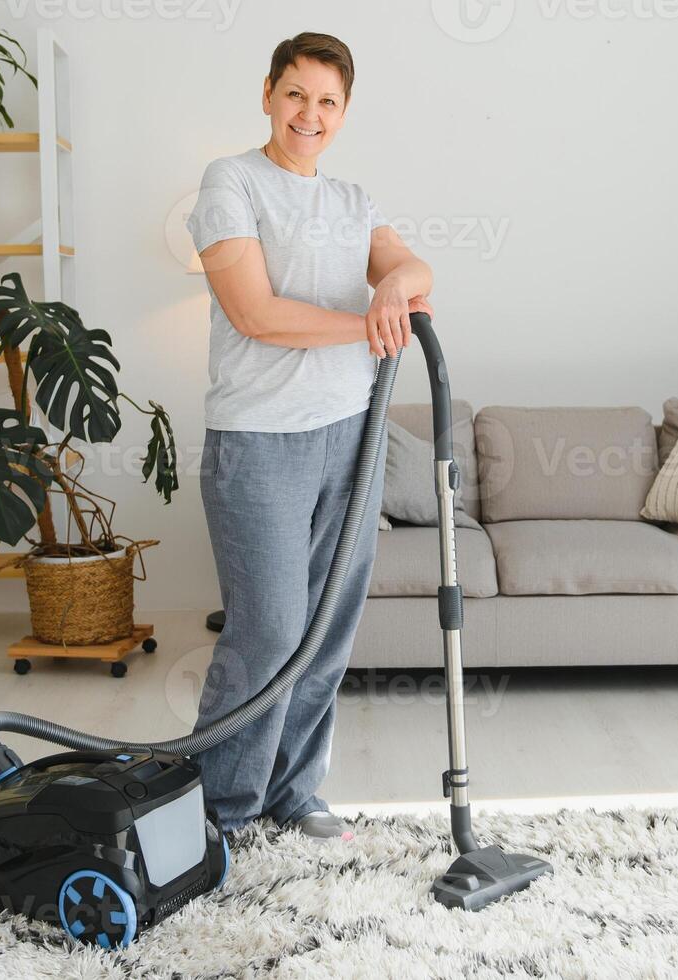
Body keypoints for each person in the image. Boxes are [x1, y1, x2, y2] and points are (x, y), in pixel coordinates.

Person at [185, 32, 434, 838]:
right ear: (267, 94)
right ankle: (221, 811)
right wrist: (371, 320)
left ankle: (293, 796)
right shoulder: (231, 181)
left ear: (343, 112)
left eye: (326, 101)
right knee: (267, 633)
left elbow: (412, 269)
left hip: (351, 435)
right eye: (296, 94)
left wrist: (395, 284)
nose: (309, 114)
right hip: (257, 441)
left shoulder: (352, 201)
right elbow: (255, 313)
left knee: (327, 630)